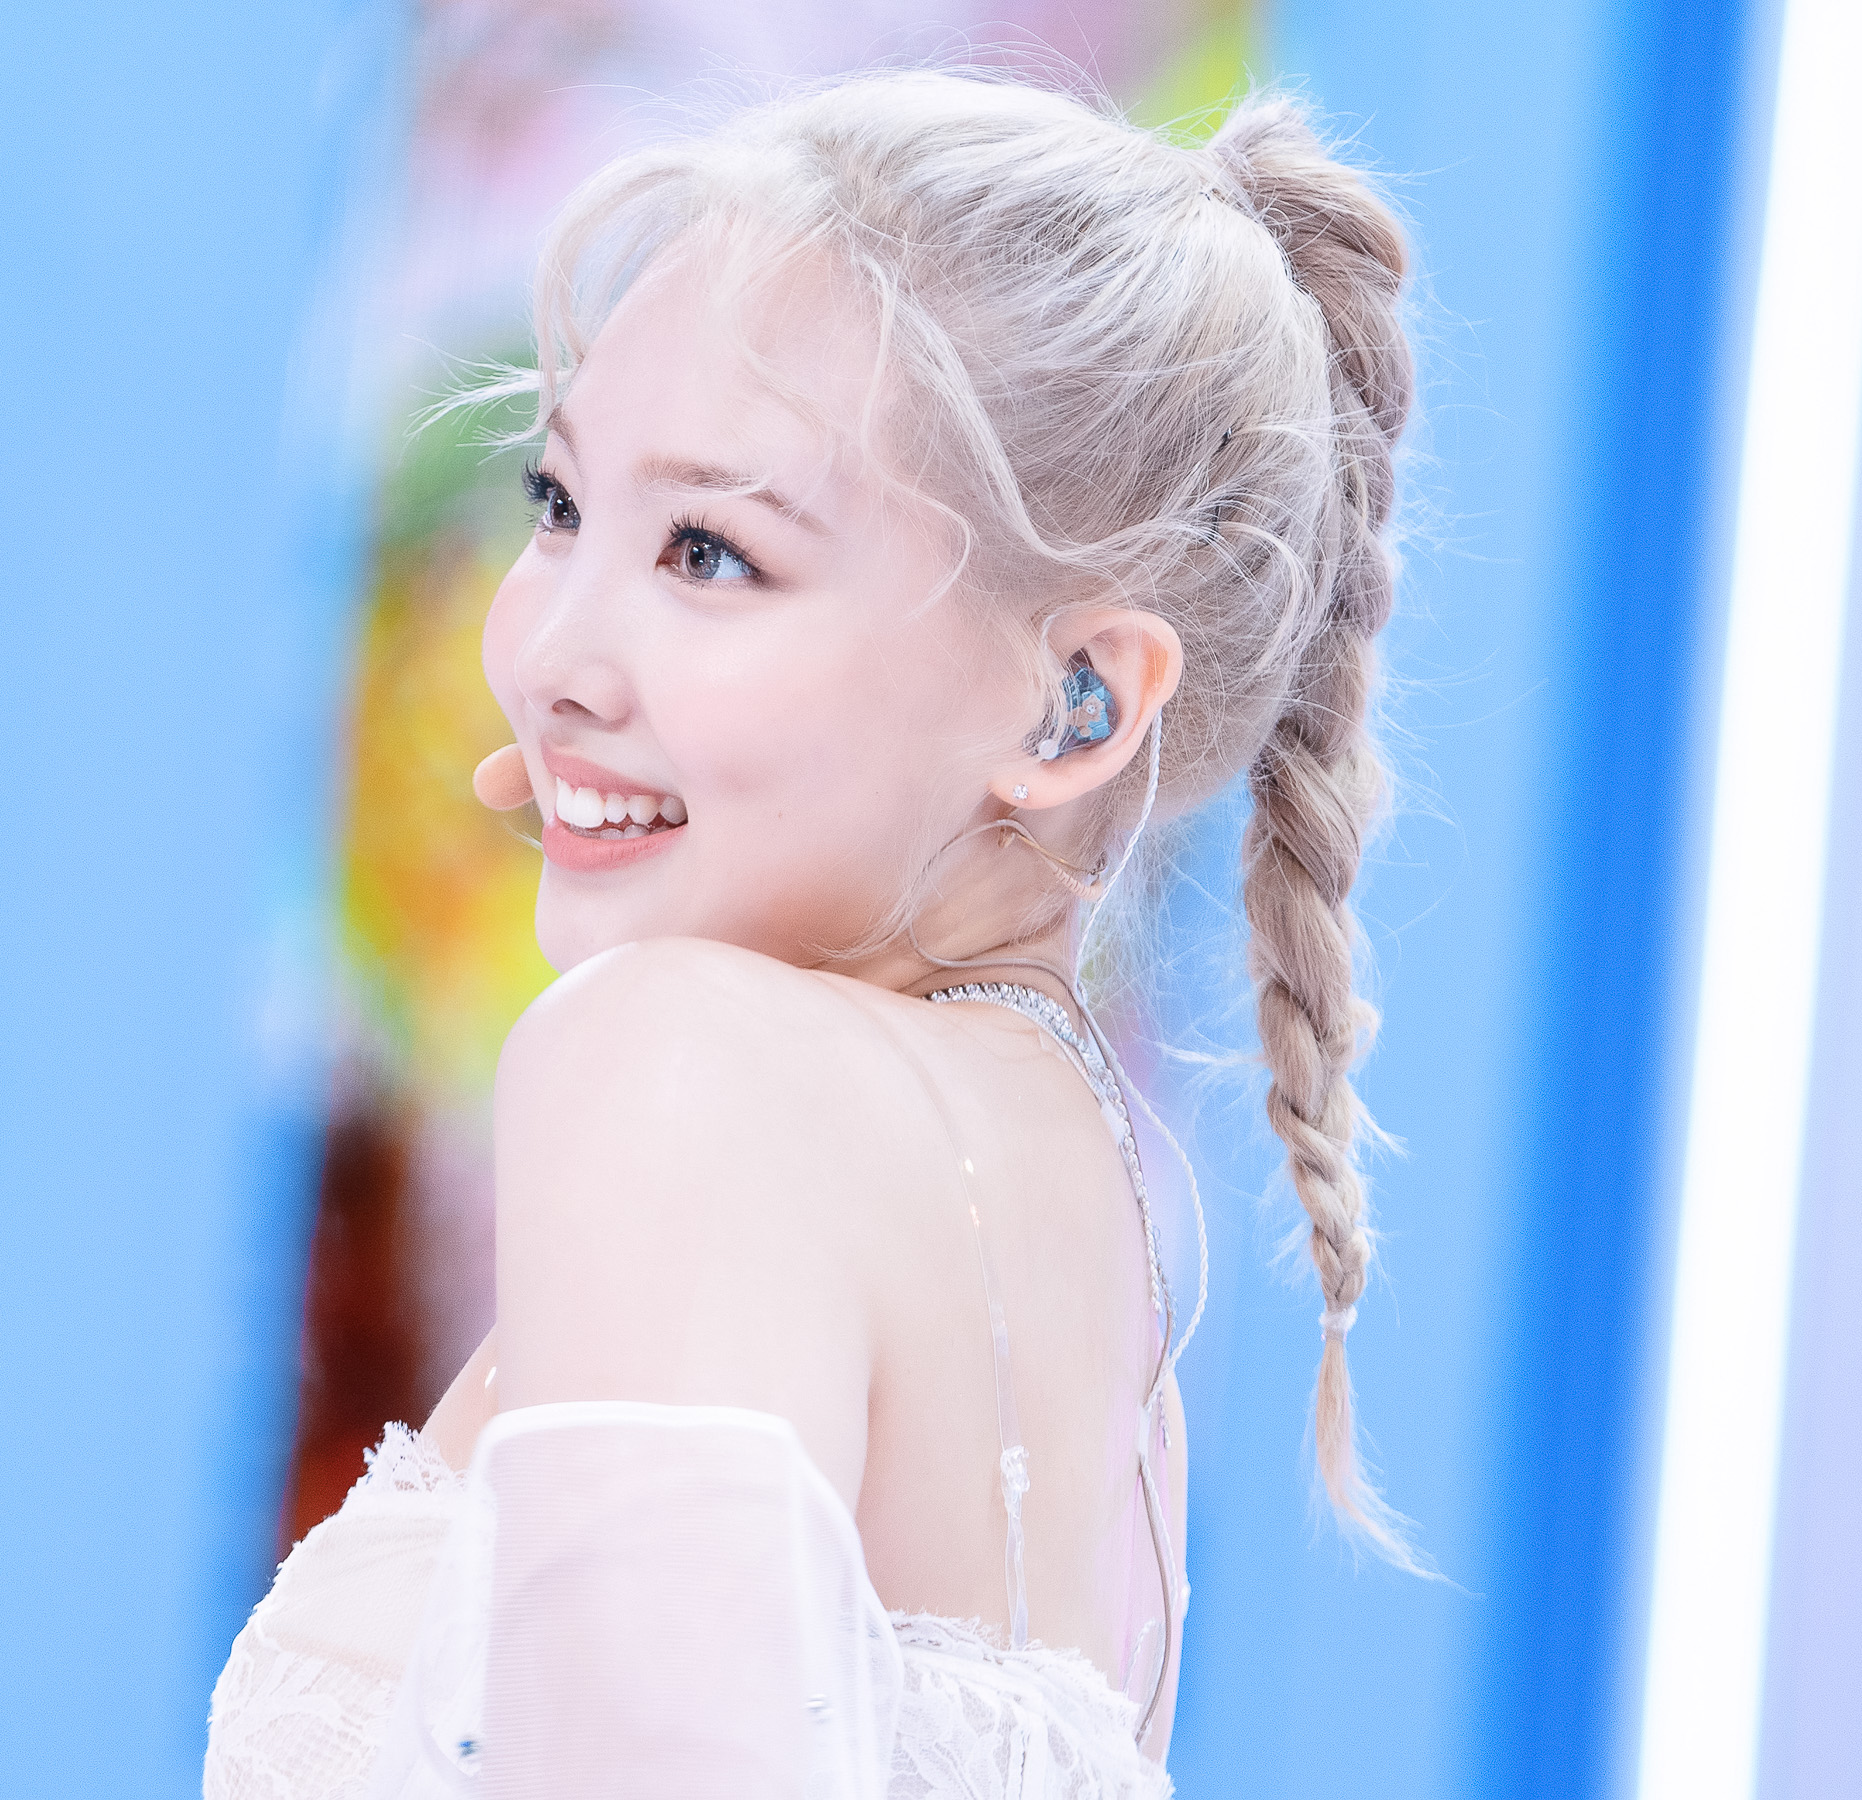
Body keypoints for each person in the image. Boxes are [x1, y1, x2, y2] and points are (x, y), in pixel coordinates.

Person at [204, 66, 1415, 1799]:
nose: (545, 656)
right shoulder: (1092, 1262)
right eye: (559, 506)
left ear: (1077, 702)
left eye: (709, 552)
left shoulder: (674, 1063)